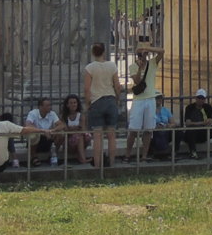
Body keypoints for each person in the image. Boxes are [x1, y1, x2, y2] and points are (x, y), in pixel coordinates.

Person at [84, 41, 122, 169]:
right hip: (110, 99)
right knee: (112, 135)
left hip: (97, 101)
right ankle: (111, 163)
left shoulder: (90, 68)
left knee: (97, 136)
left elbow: (87, 89)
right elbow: (117, 85)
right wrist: (117, 98)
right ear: (104, 52)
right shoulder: (112, 66)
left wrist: (88, 103)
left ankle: (97, 166)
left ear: (93, 53)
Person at [125, 43, 161, 160]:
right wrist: (140, 68)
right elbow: (137, 81)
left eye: (145, 54)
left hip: (150, 99)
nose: (143, 56)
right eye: (141, 54)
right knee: (134, 129)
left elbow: (162, 51)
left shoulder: (152, 63)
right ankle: (128, 154)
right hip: (139, 100)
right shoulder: (133, 66)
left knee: (148, 129)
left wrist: (147, 48)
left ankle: (144, 155)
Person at [177, 88, 212, 157]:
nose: (201, 100)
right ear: (196, 98)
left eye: (202, 98)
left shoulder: (207, 107)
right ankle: (193, 151)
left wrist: (210, 120)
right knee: (191, 129)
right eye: (199, 98)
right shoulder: (190, 107)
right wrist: (202, 123)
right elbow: (188, 123)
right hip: (193, 134)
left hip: (204, 132)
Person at [58, 93, 88, 164]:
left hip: (80, 139)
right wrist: (76, 128)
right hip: (68, 143)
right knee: (78, 136)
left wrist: (71, 129)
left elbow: (83, 129)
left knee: (84, 136)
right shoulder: (64, 116)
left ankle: (81, 156)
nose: (73, 105)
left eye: (75, 103)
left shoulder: (81, 115)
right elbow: (65, 130)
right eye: (71, 103)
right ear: (67, 105)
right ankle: (82, 159)